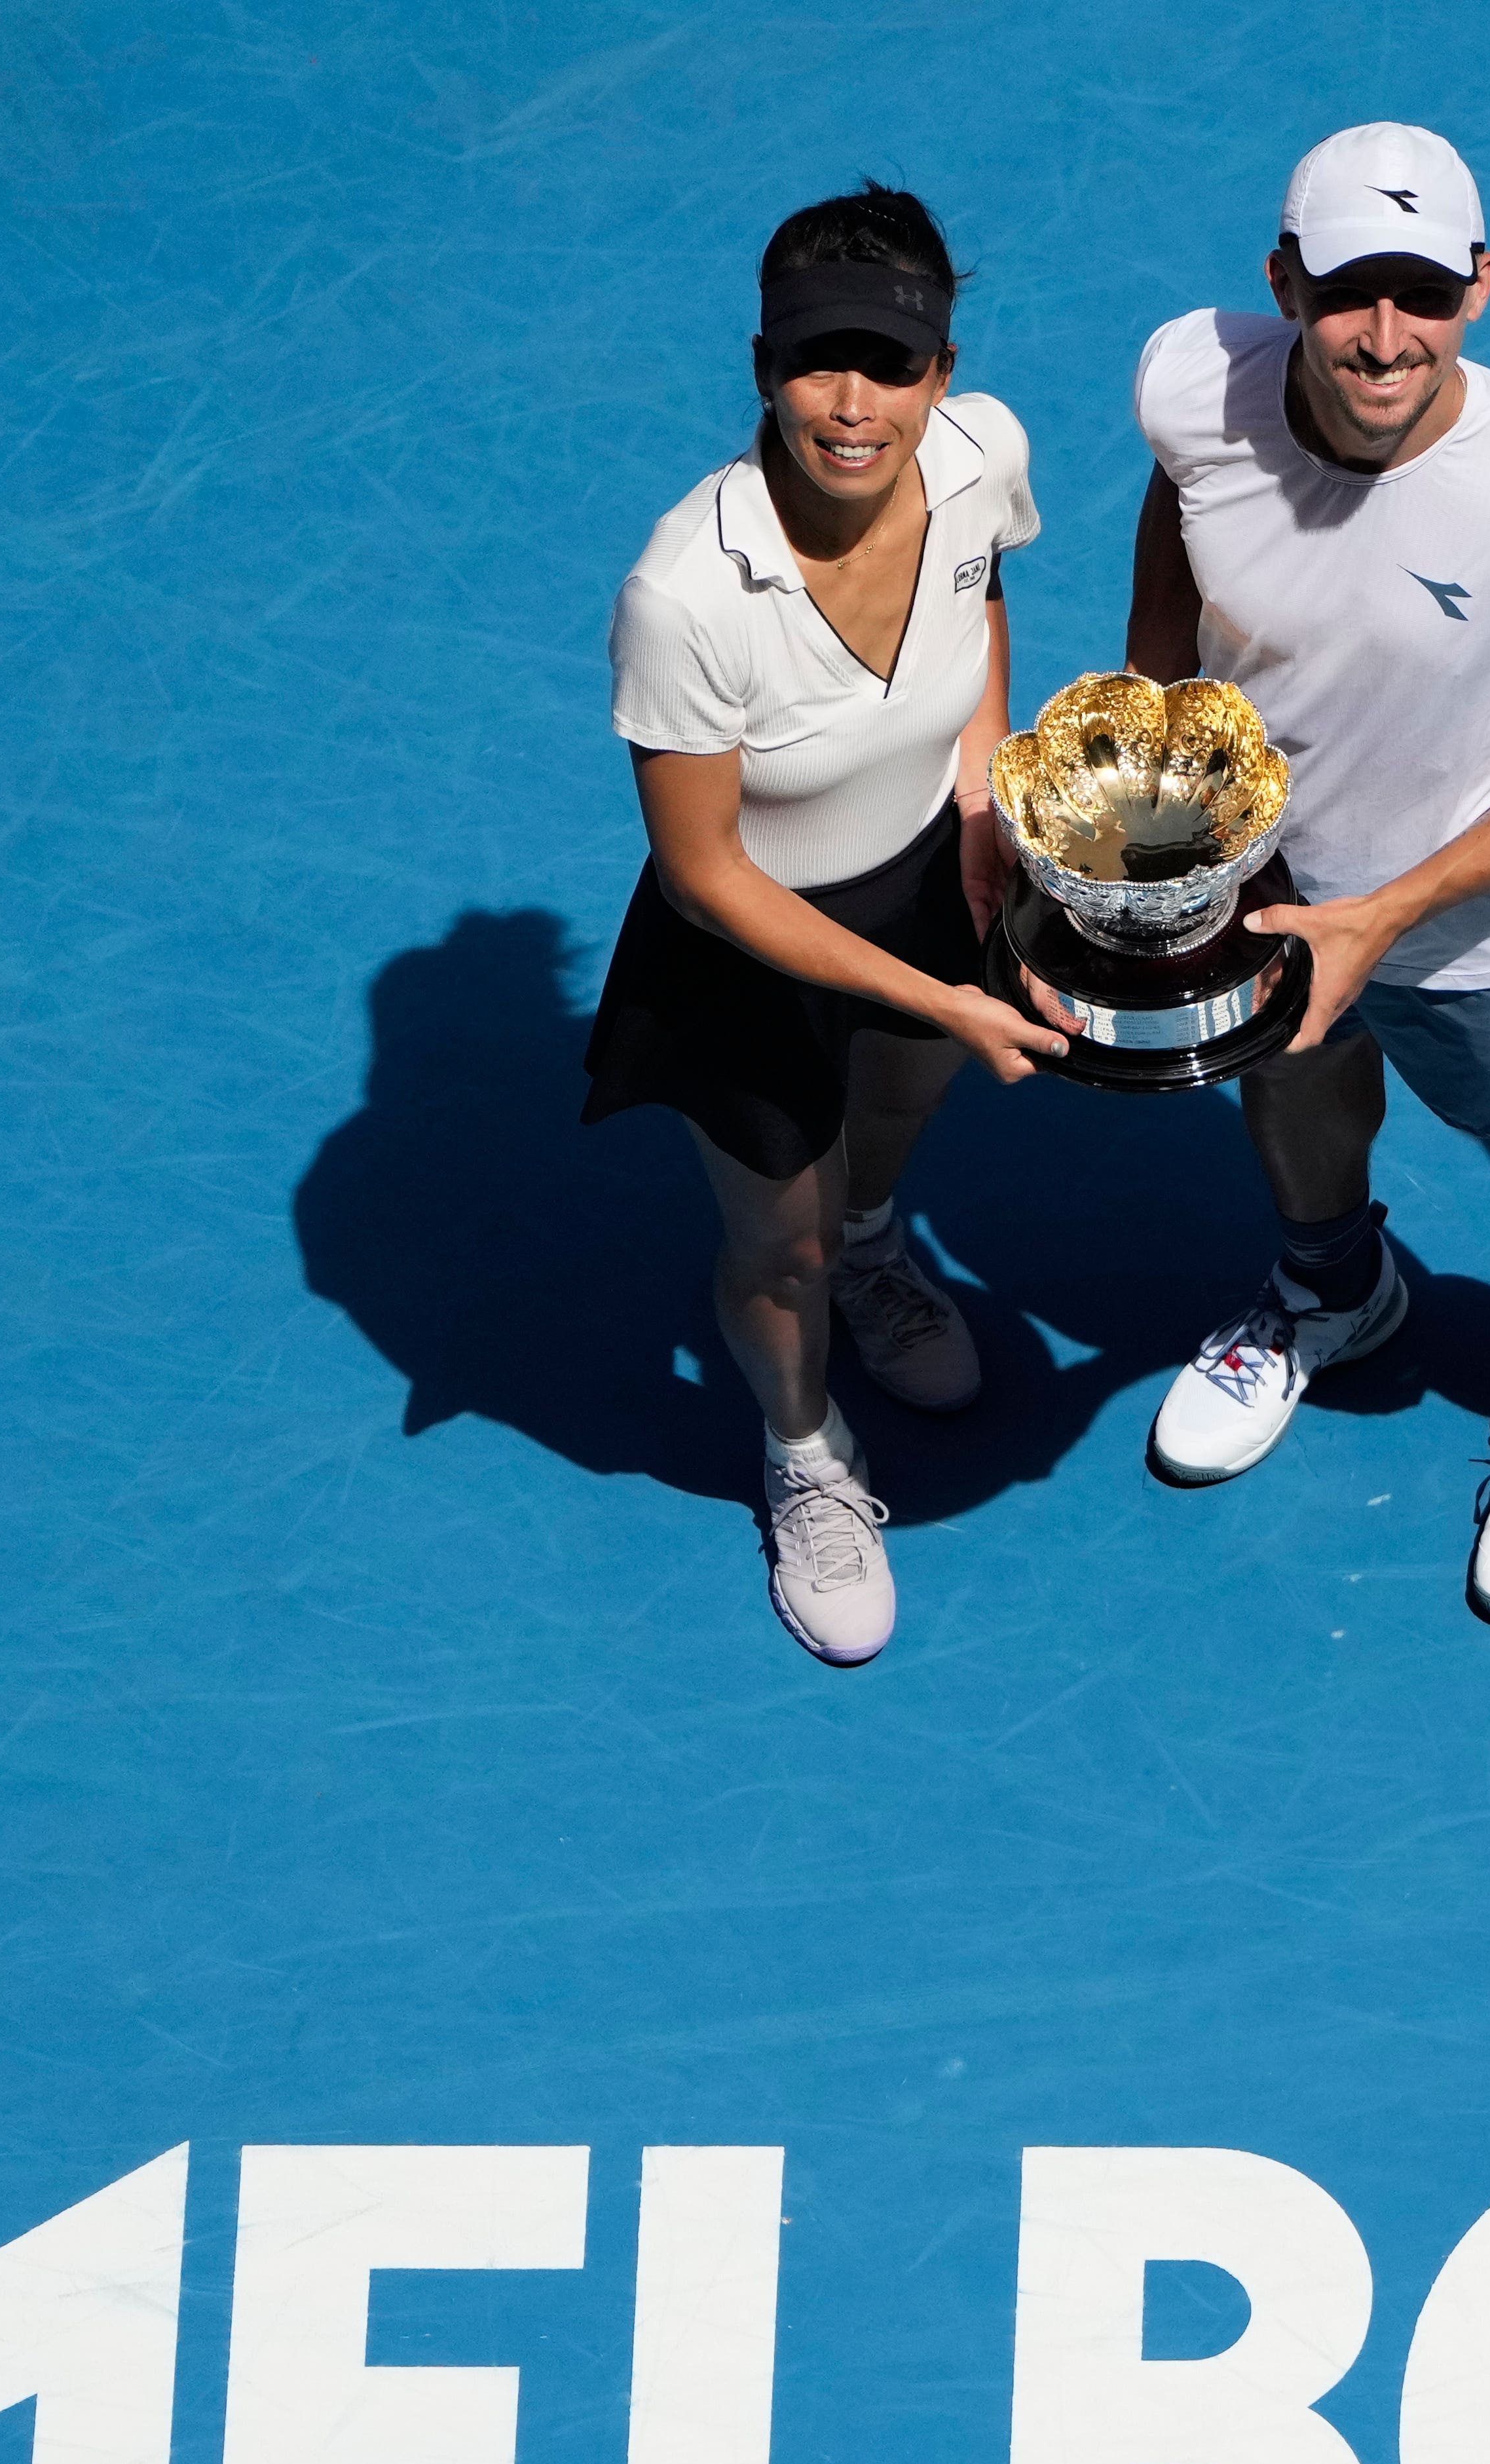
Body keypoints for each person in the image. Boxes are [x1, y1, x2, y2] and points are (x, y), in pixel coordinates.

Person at [1125, 121, 1490, 1624]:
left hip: (1485, 915)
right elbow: (1180, 513)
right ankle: (1333, 1291)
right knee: (1292, 1077)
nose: (1385, 339)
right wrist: (1161, 717)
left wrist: (1385, 911)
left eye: (1423, 295)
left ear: (1480, 288)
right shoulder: (1194, 382)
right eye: (1349, 292)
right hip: (1266, 869)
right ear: (1283, 280)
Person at [585, 183, 1065, 1664]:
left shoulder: (983, 460)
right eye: (815, 362)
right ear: (761, 365)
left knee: (895, 1121)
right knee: (772, 1242)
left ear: (946, 370)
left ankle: (878, 1244)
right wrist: (969, 1001)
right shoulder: (686, 593)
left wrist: (984, 785)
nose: (852, 405)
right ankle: (804, 1454)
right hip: (749, 948)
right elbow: (705, 877)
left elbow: (983, 603)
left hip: (933, 873)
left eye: (894, 365)